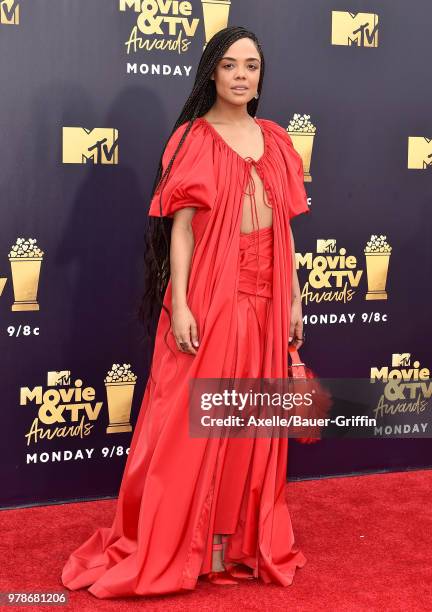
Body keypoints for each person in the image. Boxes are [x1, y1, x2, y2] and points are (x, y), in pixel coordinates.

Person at [61, 25, 310, 598]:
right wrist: (180, 303)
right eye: (229, 66)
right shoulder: (193, 139)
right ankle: (182, 546)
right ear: (212, 75)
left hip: (269, 299)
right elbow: (182, 233)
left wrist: (295, 297)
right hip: (212, 294)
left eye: (251, 65)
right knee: (191, 426)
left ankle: (230, 548)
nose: (242, 75)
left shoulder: (275, 139)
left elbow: (287, 231)